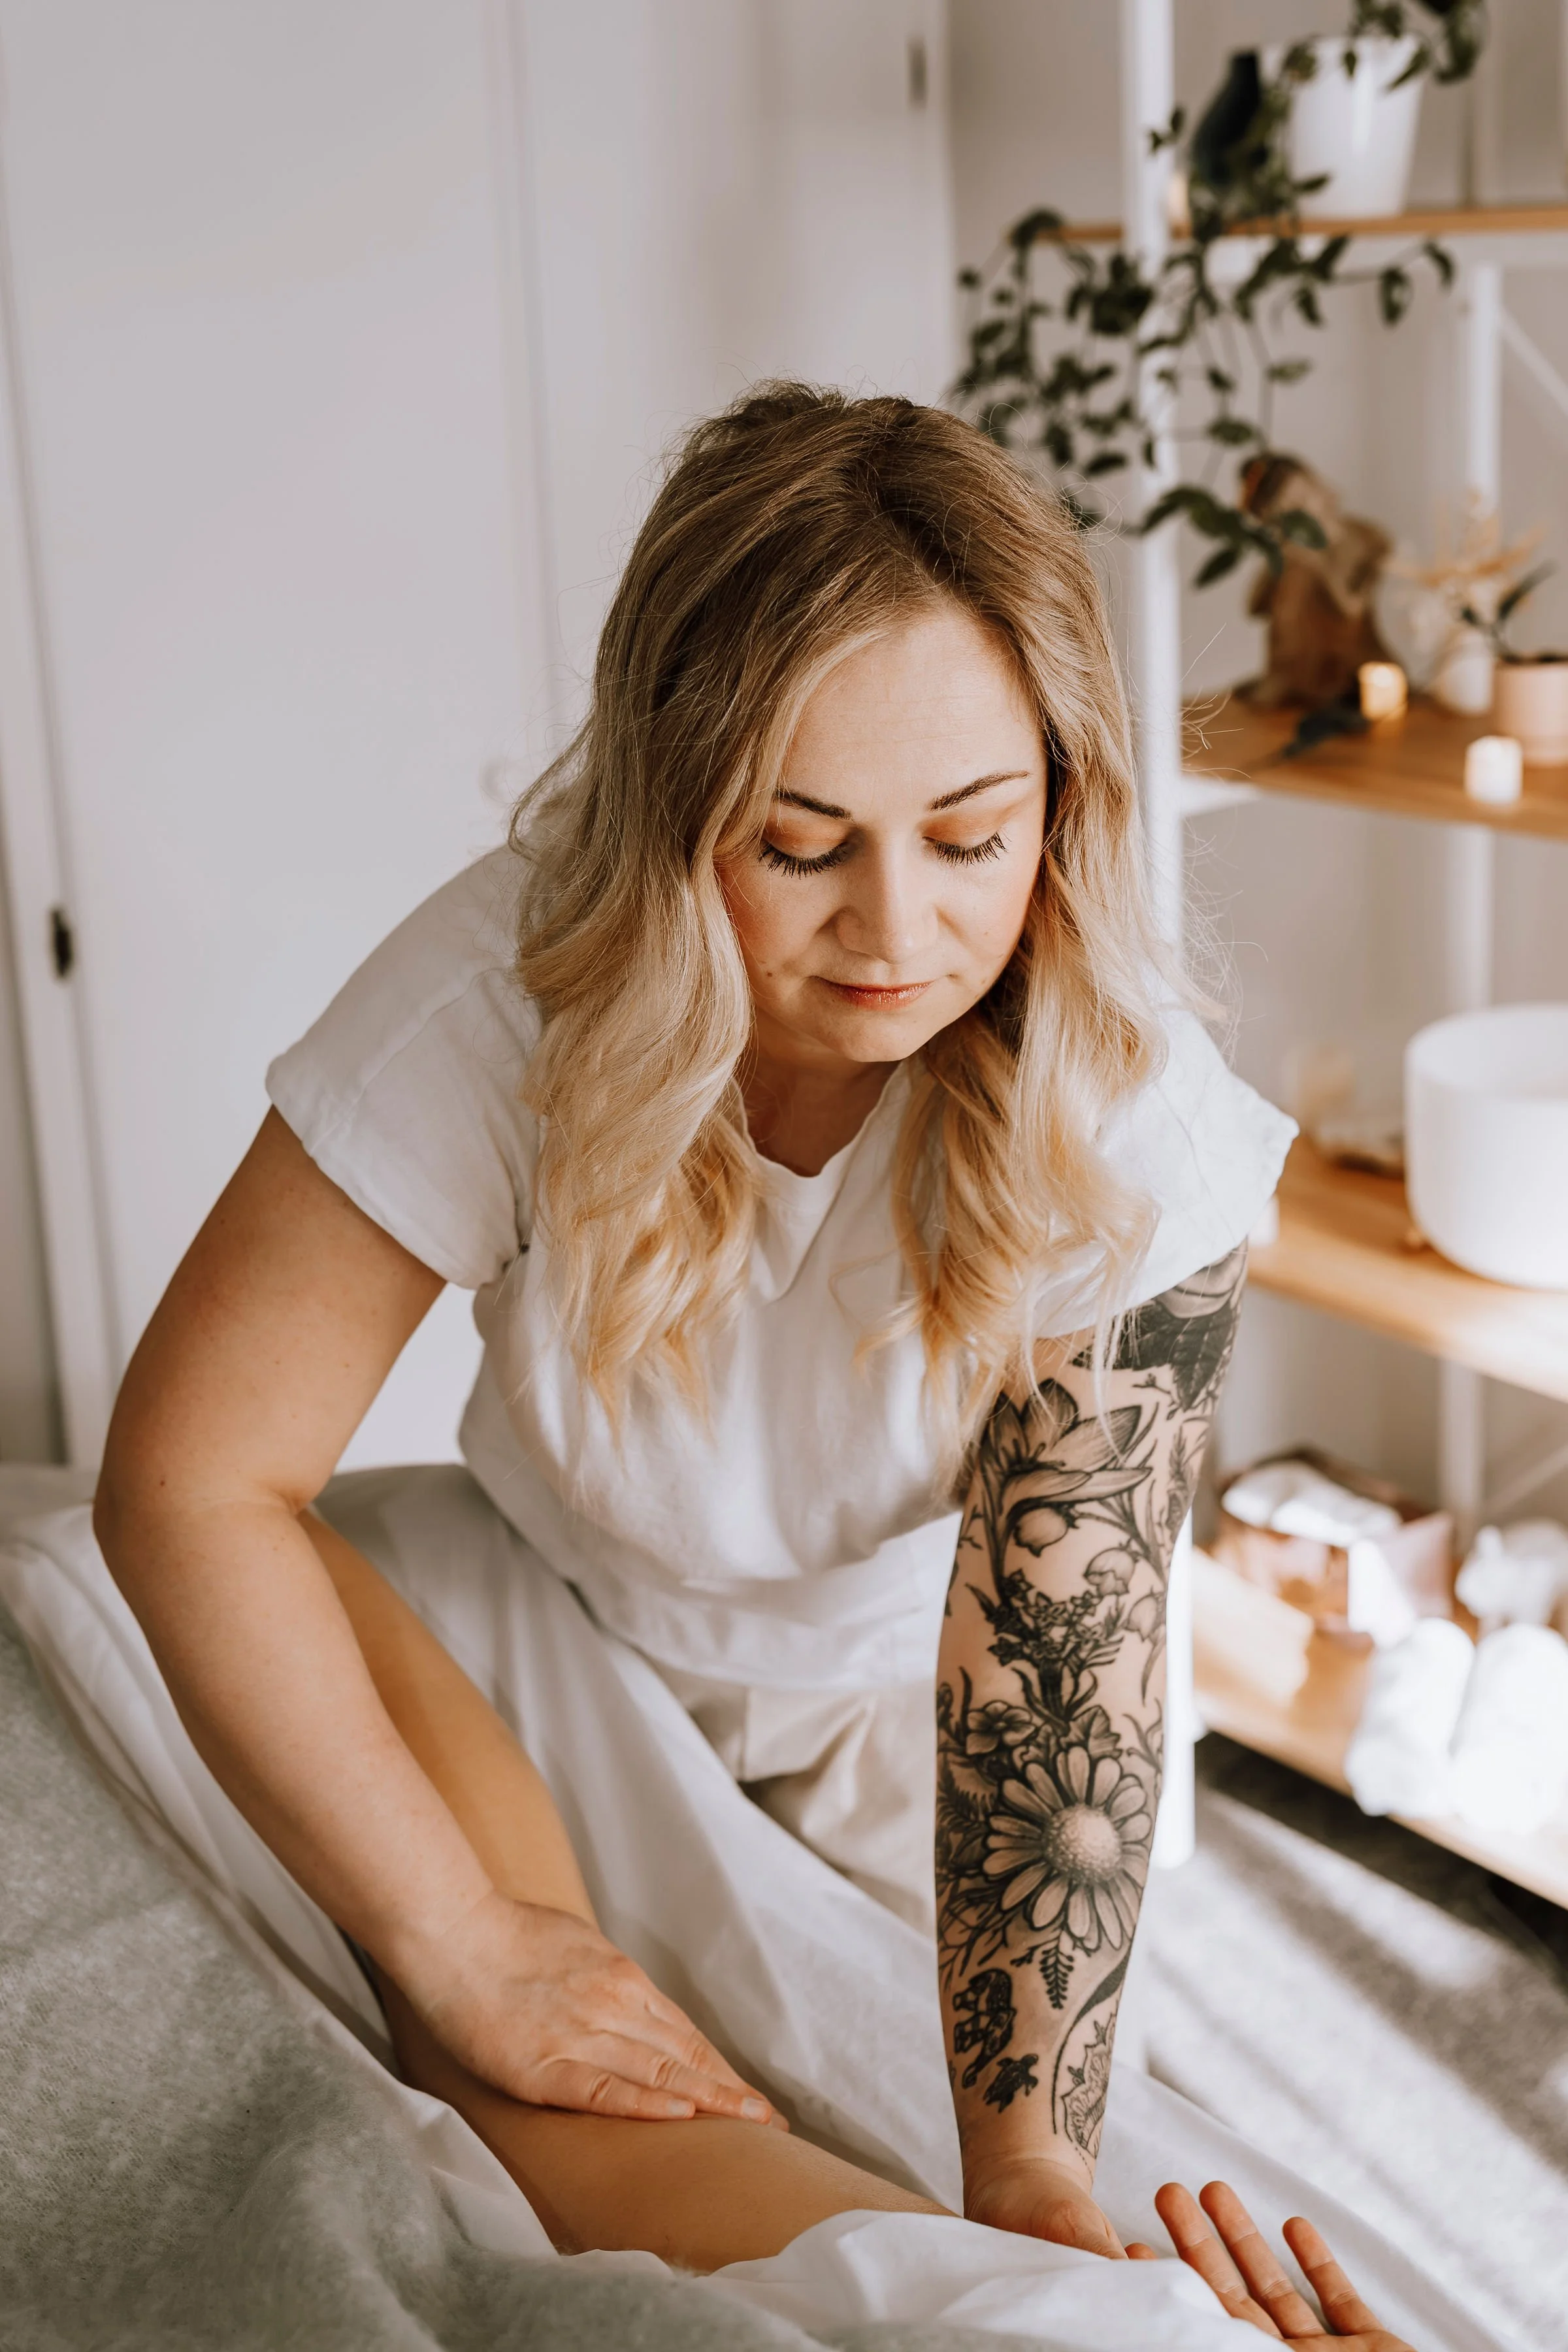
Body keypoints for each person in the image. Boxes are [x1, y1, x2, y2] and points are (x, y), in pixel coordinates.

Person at [80, 384, 1418, 2341]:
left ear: (1063, 800)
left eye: (972, 836)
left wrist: (1027, 2177)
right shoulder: (505, 991)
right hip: (550, 1631)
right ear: (668, 810)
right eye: (798, 848)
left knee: (996, 2241)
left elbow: (1055, 1664)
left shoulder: (1128, 1106)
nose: (897, 929)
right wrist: (459, 1942)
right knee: (544, 2119)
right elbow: (190, 1478)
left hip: (924, 1711)